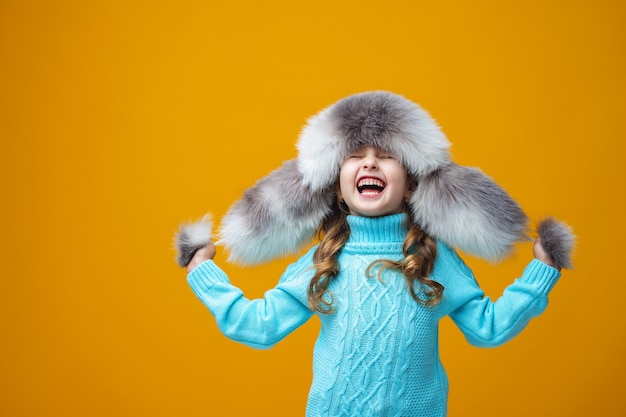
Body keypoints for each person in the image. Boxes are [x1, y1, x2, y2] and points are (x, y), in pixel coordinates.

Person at [177, 91, 574, 417]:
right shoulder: (323, 261)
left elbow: (488, 328)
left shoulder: (436, 260)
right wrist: (203, 271)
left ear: (411, 183)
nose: (370, 161)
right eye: (355, 155)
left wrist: (541, 270)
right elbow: (258, 326)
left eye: (386, 155)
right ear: (336, 185)